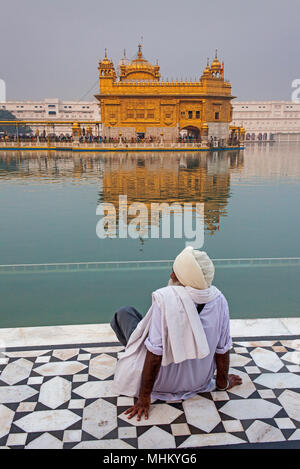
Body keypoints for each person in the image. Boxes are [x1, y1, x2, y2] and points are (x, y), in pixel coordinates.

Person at [110, 246, 242, 421]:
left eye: (175, 271)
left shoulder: (165, 298)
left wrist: (144, 399)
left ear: (181, 277)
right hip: (199, 382)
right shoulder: (219, 300)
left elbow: (155, 355)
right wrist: (222, 383)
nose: (172, 275)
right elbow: (222, 349)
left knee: (125, 314)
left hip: (161, 384)